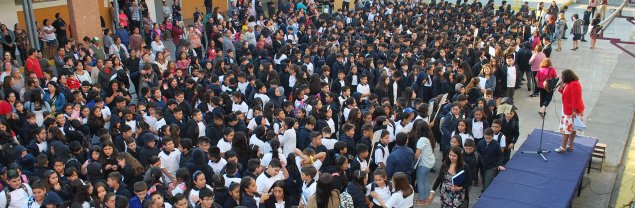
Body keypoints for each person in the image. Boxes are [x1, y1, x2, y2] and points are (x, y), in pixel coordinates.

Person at [556, 69, 585, 153]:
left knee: (567, 129)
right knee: (572, 129)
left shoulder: (574, 85)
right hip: (570, 109)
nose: (561, 78)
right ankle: (570, 145)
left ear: (567, 77)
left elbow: (575, 99)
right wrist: (561, 87)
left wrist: (574, 111)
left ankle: (563, 147)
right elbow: (566, 94)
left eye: (563, 77)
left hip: (571, 111)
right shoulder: (570, 83)